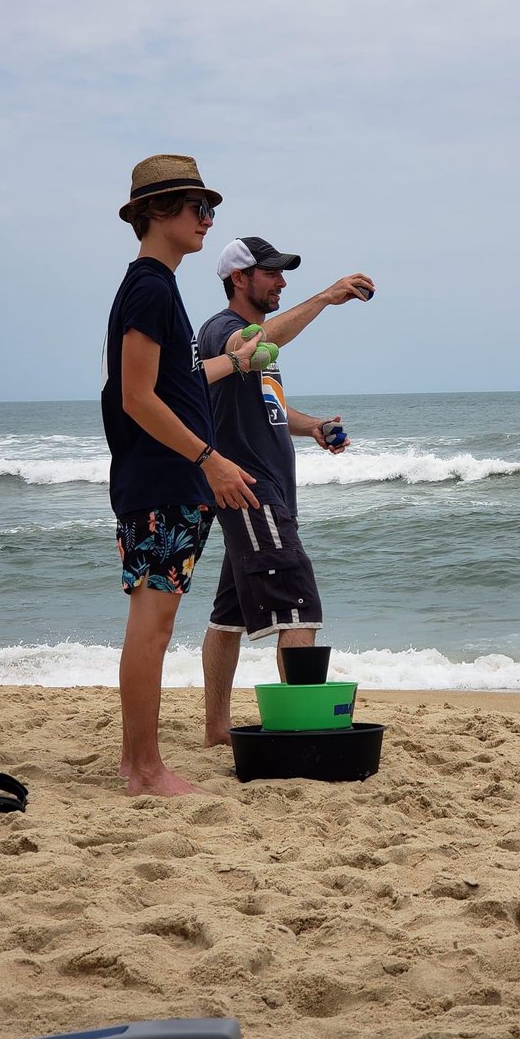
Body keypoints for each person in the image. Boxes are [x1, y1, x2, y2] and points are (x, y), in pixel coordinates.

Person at [101, 155, 263, 797]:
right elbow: (135, 396)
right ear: (157, 212)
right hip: (165, 479)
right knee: (154, 622)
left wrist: (232, 364)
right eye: (198, 208)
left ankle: (136, 763)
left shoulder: (158, 287)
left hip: (168, 479)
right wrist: (209, 457)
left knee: (155, 619)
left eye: (209, 208)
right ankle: (143, 769)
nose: (208, 219)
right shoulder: (148, 286)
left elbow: (176, 381)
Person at [197, 236, 375, 745]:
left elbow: (271, 408)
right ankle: (303, 732)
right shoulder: (223, 330)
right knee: (300, 606)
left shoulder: (258, 344)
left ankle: (216, 730)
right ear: (240, 278)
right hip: (253, 491)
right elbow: (241, 350)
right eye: (271, 273)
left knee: (229, 617)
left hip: (260, 490)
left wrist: (313, 426)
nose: (282, 282)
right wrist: (323, 298)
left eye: (282, 274)